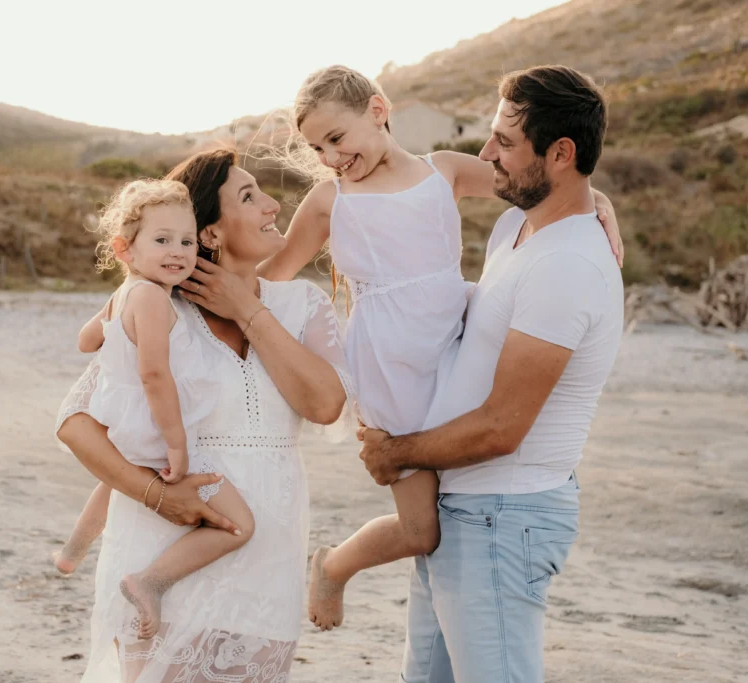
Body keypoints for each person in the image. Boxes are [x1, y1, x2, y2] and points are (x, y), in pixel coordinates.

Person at [257, 64, 622, 631]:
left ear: (378, 110)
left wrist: (599, 201)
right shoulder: (330, 202)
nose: (329, 157)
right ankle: (333, 565)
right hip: (389, 369)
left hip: (451, 352)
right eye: (316, 147)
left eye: (336, 138)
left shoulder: (443, 172)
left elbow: (535, 182)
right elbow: (274, 272)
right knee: (421, 530)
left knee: (456, 500)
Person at [358, 65, 625, 683]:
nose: (487, 155)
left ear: (561, 154)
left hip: (505, 518)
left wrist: (395, 453)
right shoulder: (516, 227)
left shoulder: (568, 267)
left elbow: (503, 428)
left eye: (504, 143)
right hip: (465, 511)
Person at [56, 148, 352, 683]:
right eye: (248, 195)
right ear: (210, 233)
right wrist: (159, 496)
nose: (271, 204)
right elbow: (76, 422)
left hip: (269, 557)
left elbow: (326, 405)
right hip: (161, 551)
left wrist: (247, 309)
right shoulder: (158, 304)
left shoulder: (302, 306)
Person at [52, 178, 254, 641]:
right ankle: (151, 581)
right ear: (125, 249)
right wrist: (177, 443)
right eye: (162, 241)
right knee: (240, 526)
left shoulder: (125, 293)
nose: (178, 251)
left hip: (120, 421)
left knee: (116, 477)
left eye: (185, 241)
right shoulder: (150, 299)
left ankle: (72, 551)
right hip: (153, 427)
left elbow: (87, 340)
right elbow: (154, 376)